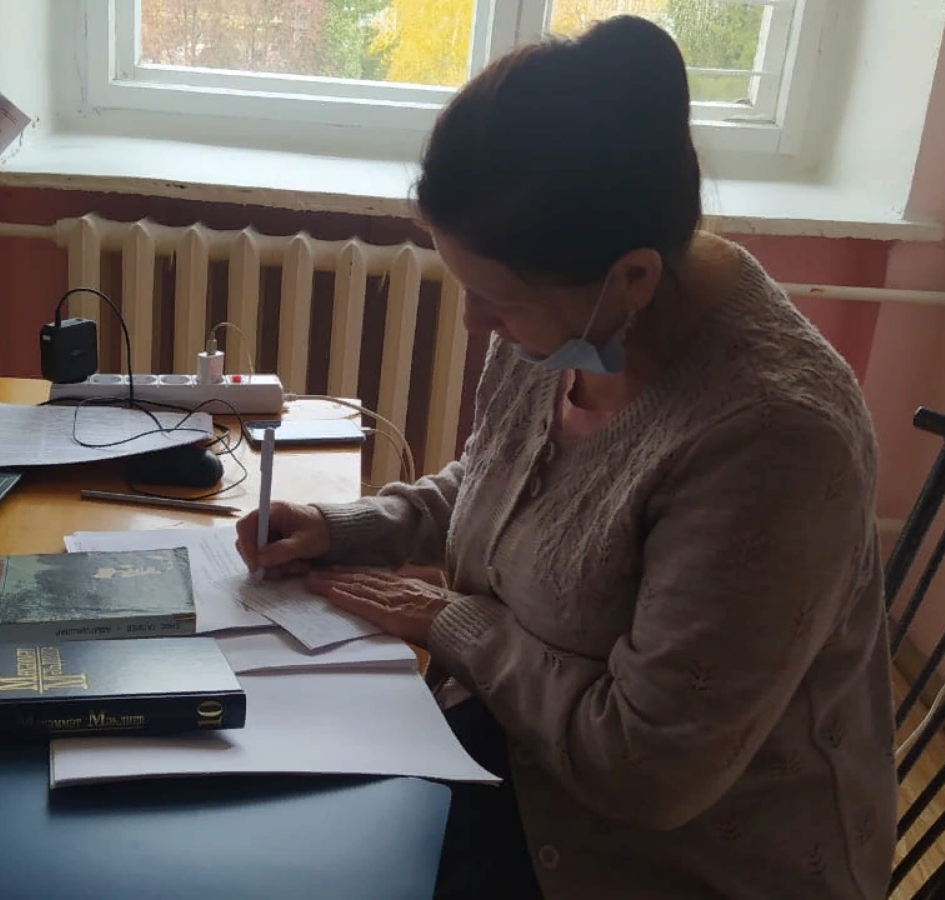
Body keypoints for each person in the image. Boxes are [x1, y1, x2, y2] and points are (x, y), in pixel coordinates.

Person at [235, 14, 897, 900]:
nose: (475, 323)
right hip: (515, 755)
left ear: (633, 277)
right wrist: (346, 526)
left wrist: (452, 624)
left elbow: (645, 770)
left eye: (496, 298)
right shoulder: (572, 320)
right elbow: (502, 485)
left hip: (668, 862)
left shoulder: (774, 441)